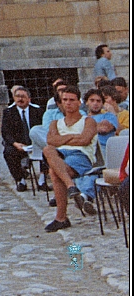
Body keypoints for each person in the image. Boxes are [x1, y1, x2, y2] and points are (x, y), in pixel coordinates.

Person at [41, 84, 100, 229]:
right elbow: (51, 141)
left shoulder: (88, 121)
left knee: (54, 172)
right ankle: (71, 186)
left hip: (81, 155)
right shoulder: (55, 123)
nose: (68, 103)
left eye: (72, 100)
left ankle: (61, 218)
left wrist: (63, 138)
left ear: (79, 102)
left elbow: (84, 140)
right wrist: (73, 136)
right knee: (48, 149)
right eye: (65, 99)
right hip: (59, 155)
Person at [1, 86, 41, 190]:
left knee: (49, 151)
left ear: (29, 99)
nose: (20, 99)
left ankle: (42, 179)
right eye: (17, 96)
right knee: (8, 152)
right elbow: (6, 132)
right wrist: (15, 143)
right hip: (18, 144)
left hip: (35, 143)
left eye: (23, 96)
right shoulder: (8, 112)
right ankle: (20, 180)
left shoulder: (37, 111)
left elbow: (43, 129)